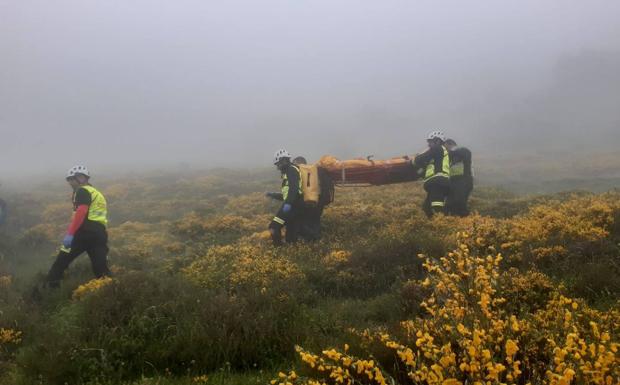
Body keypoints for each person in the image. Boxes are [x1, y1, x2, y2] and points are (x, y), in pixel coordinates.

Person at [46, 165, 111, 288]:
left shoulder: (82, 191)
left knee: (60, 263)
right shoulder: (96, 192)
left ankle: (47, 292)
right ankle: (113, 293)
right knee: (101, 269)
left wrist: (70, 234)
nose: (70, 182)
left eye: (73, 179)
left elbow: (81, 212)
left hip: (83, 233)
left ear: (82, 178)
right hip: (99, 234)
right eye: (69, 179)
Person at [266, 150, 303, 246]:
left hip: (293, 205)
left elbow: (294, 189)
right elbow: (289, 193)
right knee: (291, 232)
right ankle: (290, 250)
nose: (278, 167)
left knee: (274, 227)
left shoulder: (291, 170)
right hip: (296, 204)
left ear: (283, 161)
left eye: (278, 164)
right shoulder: (290, 171)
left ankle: (278, 249)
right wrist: (273, 195)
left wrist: (288, 204)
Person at [412, 131, 451, 217]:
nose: (429, 144)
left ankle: (443, 224)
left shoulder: (437, 148)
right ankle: (434, 225)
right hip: (436, 182)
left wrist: (415, 159)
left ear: (437, 141)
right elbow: (428, 165)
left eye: (430, 141)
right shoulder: (438, 153)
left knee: (437, 207)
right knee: (427, 208)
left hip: (438, 181)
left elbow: (421, 159)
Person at [445, 139, 473, 216]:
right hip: (454, 182)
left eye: (446, 146)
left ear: (450, 145)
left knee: (460, 203)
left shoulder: (462, 150)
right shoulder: (450, 156)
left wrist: (451, 150)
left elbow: (466, 153)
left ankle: (467, 223)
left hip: (464, 180)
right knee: (449, 205)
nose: (445, 149)